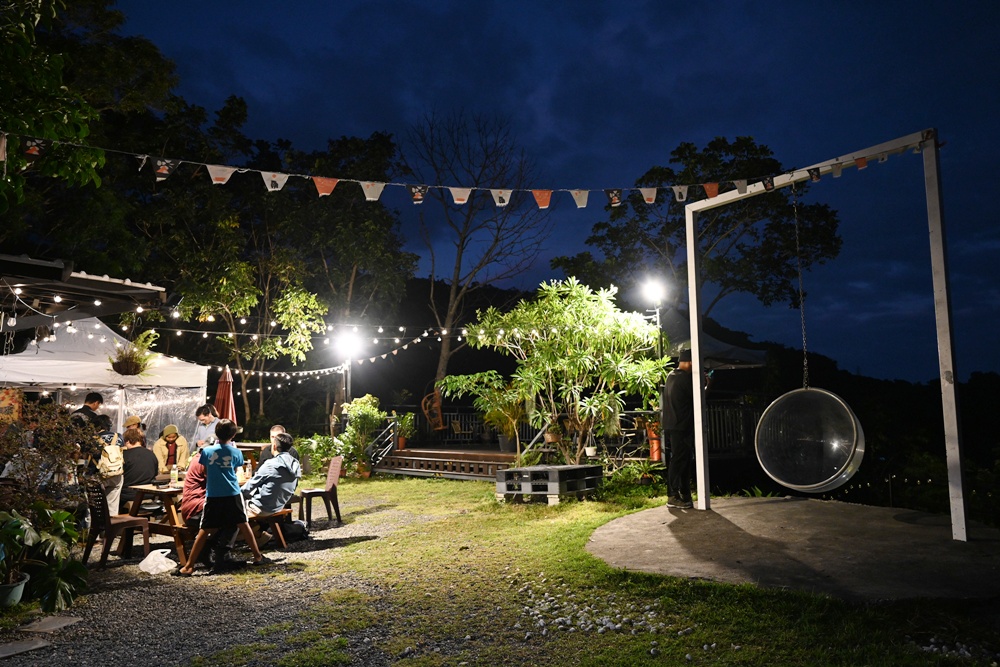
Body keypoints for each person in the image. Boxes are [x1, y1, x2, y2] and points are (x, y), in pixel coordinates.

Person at [178, 419, 268, 575]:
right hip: (232, 493)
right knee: (243, 524)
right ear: (233, 435)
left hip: (213, 495)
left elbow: (206, 470)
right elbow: (235, 468)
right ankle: (258, 556)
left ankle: (189, 566)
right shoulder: (236, 452)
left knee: (204, 529)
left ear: (216, 433)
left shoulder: (206, 452)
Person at [180, 455, 239, 570]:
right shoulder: (206, 461)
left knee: (230, 514)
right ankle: (221, 558)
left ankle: (207, 552)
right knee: (234, 517)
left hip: (196, 506)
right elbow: (221, 482)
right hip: (196, 508)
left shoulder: (198, 458)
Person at [242, 432, 301, 546]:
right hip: (280, 503)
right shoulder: (295, 463)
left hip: (262, 507)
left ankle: (254, 534)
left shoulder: (270, 464)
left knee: (231, 508)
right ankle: (257, 534)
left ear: (274, 446)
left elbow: (247, 488)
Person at [664, 349, 695, 509]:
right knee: (679, 459)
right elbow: (698, 398)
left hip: (672, 424)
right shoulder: (685, 378)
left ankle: (684, 494)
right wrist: (708, 384)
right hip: (682, 425)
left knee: (682, 458)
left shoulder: (671, 376)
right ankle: (672, 495)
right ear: (689, 362)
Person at [92, 414, 125, 515]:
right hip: (116, 473)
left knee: (94, 506)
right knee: (112, 505)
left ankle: (95, 527)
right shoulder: (118, 436)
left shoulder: (92, 438)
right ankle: (111, 526)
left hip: (98, 474)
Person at [119, 427, 158, 508]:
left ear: (127, 441)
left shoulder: (123, 455)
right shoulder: (151, 455)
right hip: (148, 494)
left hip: (128, 495)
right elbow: (155, 474)